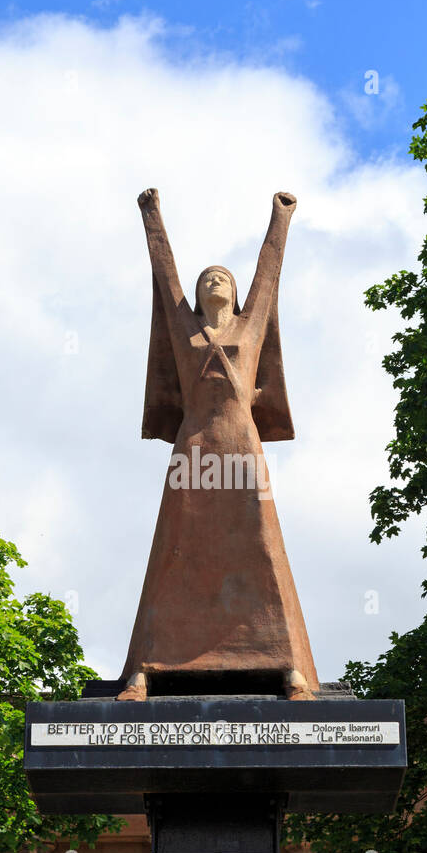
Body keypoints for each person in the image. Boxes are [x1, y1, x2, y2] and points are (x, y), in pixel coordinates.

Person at [118, 188, 319, 701]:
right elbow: (165, 283)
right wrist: (152, 217)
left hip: (242, 451)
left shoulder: (251, 326)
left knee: (261, 548)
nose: (215, 281)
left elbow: (269, 276)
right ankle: (145, 669)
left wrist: (281, 219)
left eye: (223, 278)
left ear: (233, 293)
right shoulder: (184, 329)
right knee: (176, 551)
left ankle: (289, 669)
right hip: (195, 452)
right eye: (207, 277)